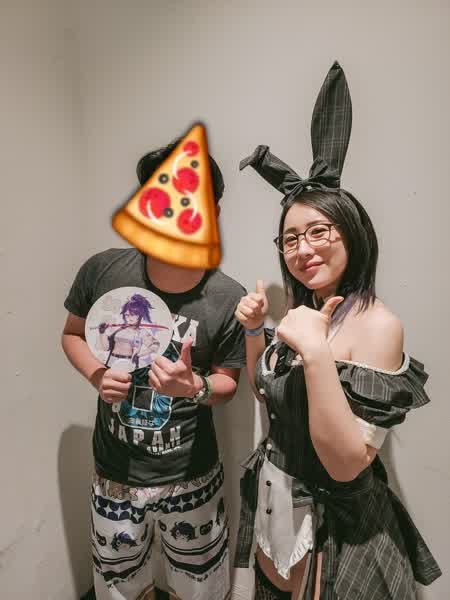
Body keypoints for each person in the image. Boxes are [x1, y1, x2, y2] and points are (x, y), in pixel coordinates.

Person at [233, 62, 441, 599]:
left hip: (340, 536)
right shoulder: (305, 312)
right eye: (290, 239)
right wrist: (255, 332)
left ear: (352, 233)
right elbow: (265, 394)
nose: (303, 249)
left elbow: (346, 465)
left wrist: (316, 353)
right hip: (277, 511)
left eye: (318, 231)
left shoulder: (377, 324)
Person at [62, 139, 246, 600]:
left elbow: (228, 383)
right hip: (115, 473)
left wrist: (195, 386)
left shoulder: (228, 296)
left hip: (192, 474)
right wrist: (97, 374)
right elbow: (72, 334)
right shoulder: (103, 271)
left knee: (201, 588)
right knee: (119, 587)